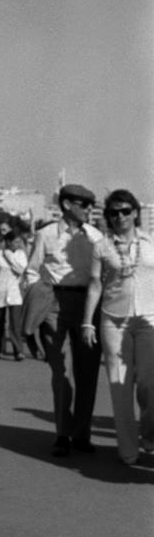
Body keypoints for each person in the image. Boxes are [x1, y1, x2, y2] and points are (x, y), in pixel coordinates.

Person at [25, 183, 103, 457]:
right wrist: (40, 299)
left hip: (87, 306)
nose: (89, 210)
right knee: (61, 373)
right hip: (54, 304)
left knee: (87, 373)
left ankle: (81, 434)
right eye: (84, 205)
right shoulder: (45, 235)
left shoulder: (95, 236)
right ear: (68, 205)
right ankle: (62, 434)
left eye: (91, 205)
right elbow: (31, 271)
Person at [81, 190, 154, 465]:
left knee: (150, 384)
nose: (120, 216)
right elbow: (95, 284)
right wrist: (87, 321)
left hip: (149, 319)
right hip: (113, 320)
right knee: (119, 385)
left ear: (135, 212)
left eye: (125, 211)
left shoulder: (151, 242)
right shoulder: (102, 246)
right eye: (113, 213)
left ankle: (149, 434)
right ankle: (127, 448)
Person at [0, 230, 27, 359]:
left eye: (19, 242)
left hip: (15, 293)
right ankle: (0, 349)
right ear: (8, 242)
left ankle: (18, 350)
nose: (18, 244)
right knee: (0, 323)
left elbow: (21, 269)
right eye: (16, 241)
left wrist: (9, 256)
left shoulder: (21, 255)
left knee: (15, 323)